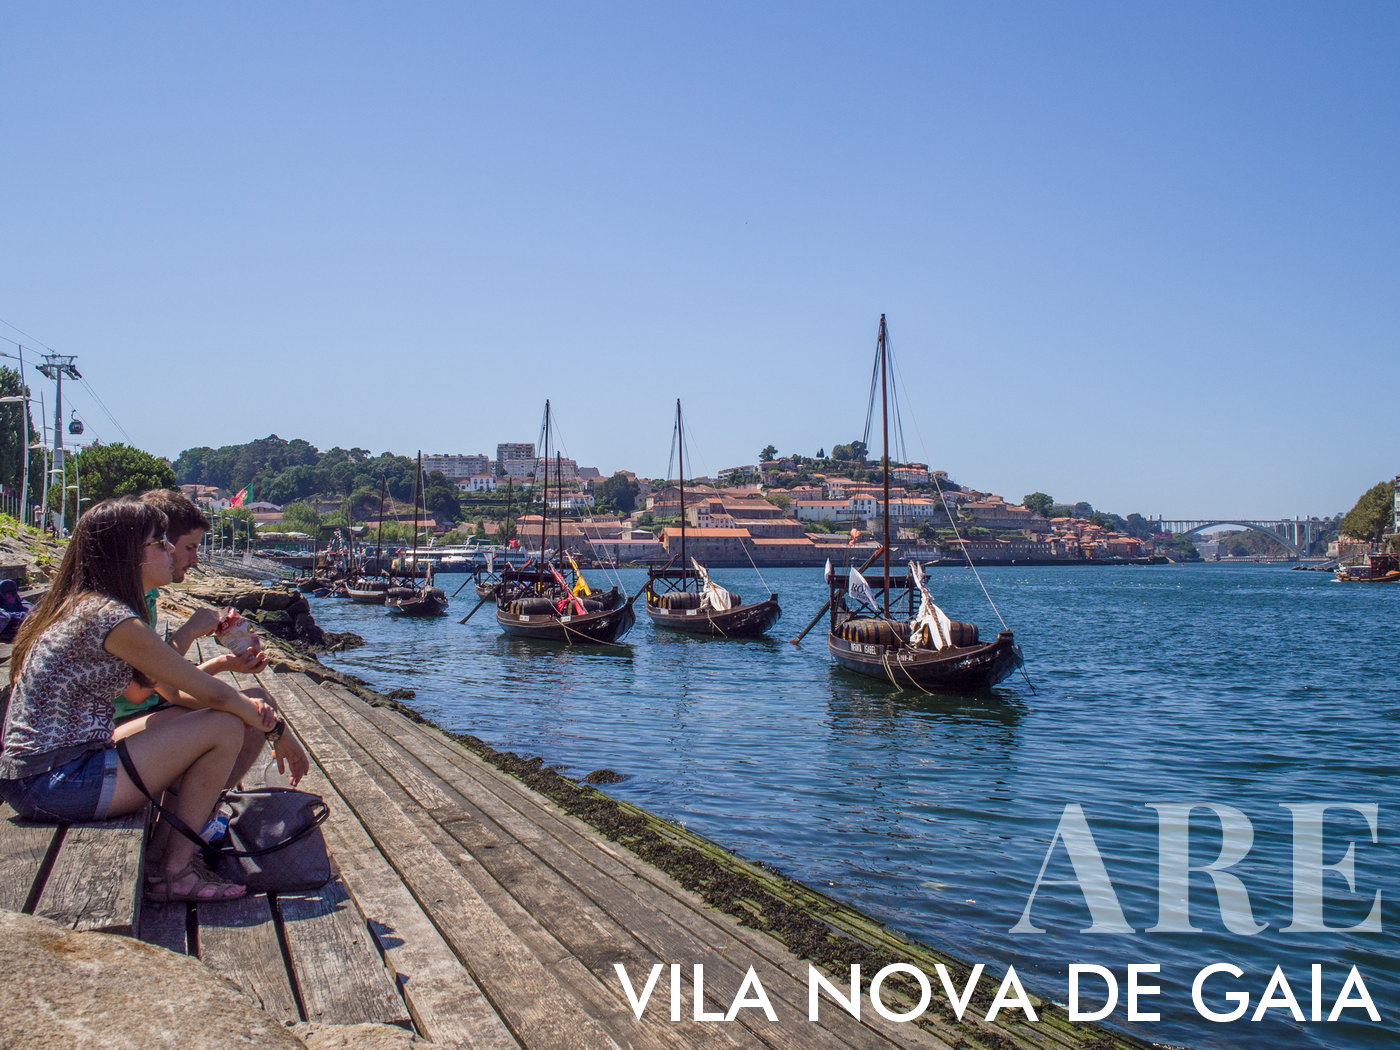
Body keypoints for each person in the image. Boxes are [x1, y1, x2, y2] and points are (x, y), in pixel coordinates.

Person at [0, 497, 275, 902]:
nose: (169, 550)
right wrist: (275, 728)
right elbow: (213, 695)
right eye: (159, 542)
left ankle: (168, 853)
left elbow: (166, 689)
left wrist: (228, 679)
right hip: (54, 782)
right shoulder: (111, 619)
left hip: (45, 771)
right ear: (129, 553)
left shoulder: (92, 607)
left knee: (204, 717)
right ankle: (174, 873)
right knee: (223, 724)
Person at [113, 489, 309, 790]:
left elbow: (166, 689)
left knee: (254, 702)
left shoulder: (146, 597)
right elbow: (143, 692)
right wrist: (188, 631)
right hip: (111, 736)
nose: (195, 558)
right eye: (189, 547)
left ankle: (203, 809)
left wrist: (224, 663)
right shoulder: (121, 607)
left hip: (139, 718)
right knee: (237, 716)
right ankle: (198, 815)